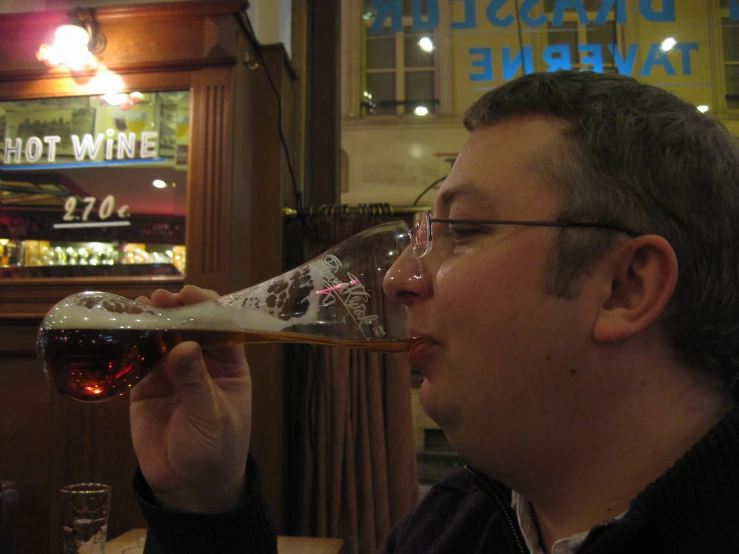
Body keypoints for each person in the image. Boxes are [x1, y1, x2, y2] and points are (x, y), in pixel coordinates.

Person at [130, 70, 739, 553]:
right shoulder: (453, 524)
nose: (397, 281)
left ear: (625, 288)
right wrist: (203, 504)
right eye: (424, 236)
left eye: (465, 230)